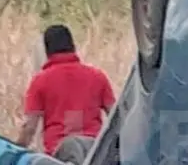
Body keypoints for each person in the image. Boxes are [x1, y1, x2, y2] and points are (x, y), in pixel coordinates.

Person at [17, 24, 116, 157]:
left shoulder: (40, 81)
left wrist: (15, 151)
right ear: (73, 46)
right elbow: (116, 117)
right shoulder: (97, 76)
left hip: (58, 158)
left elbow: (29, 128)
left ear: (47, 51)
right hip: (94, 155)